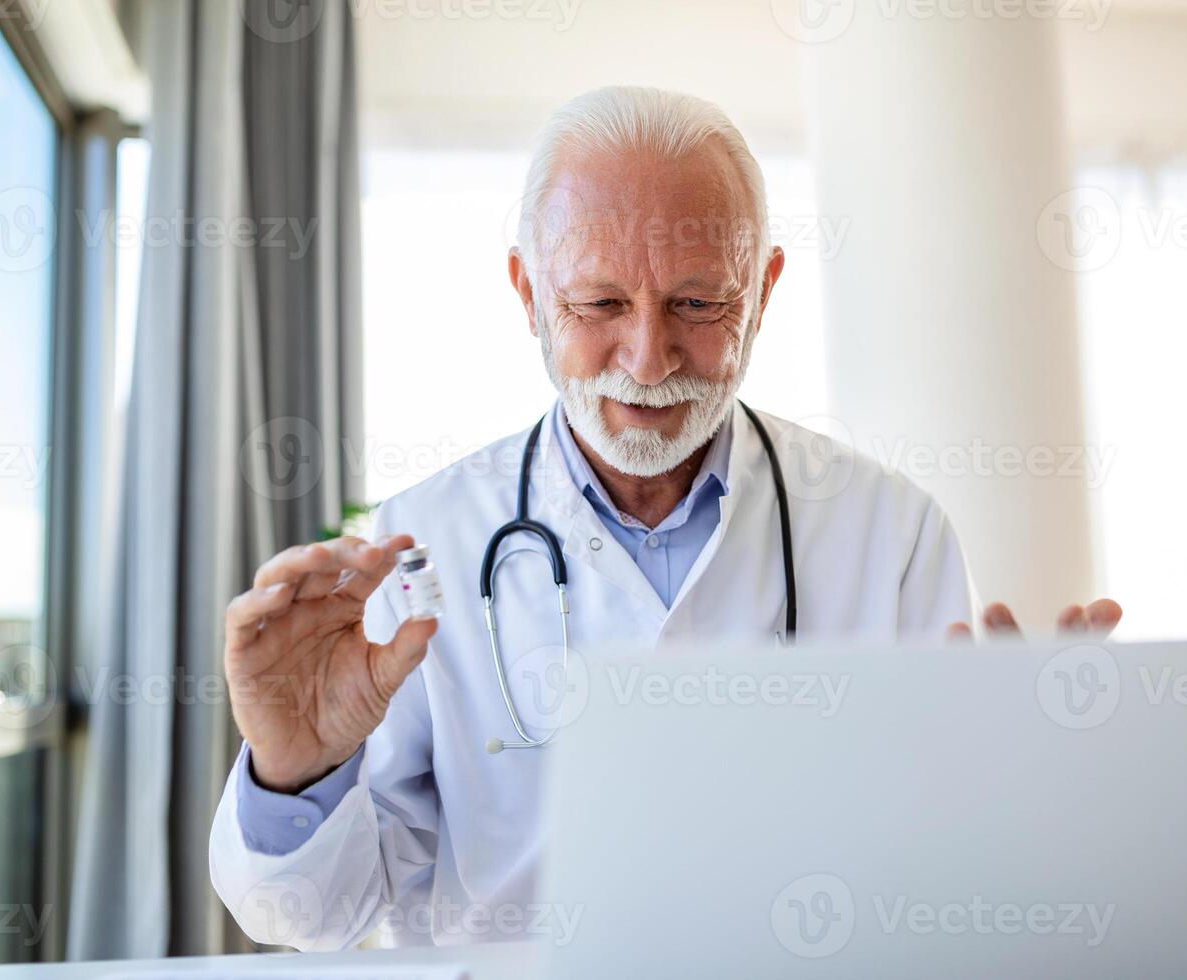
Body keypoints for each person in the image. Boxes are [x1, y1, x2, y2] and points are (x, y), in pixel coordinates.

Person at [208, 86, 1122, 950]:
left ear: (762, 290)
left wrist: (1017, 785)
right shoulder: (421, 545)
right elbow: (315, 920)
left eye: (698, 303)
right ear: (528, 292)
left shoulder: (889, 532)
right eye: (600, 303)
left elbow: (942, 880)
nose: (648, 360)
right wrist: (297, 775)